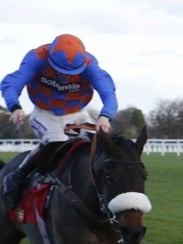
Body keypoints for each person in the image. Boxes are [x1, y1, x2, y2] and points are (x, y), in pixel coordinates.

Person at [1, 33, 118, 208]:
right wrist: (15, 107)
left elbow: (108, 93)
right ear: (50, 58)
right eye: (60, 71)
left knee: (98, 146)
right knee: (58, 142)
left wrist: (105, 116)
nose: (65, 77)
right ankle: (16, 176)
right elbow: (12, 83)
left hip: (77, 114)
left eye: (71, 73)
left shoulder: (90, 64)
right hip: (45, 114)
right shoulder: (37, 57)